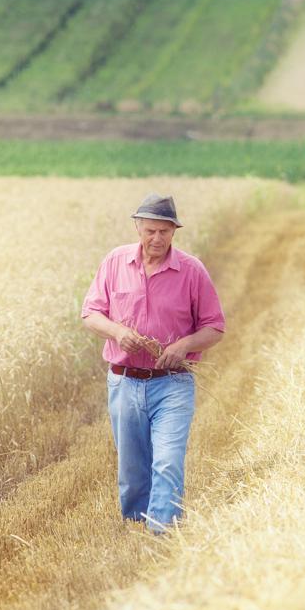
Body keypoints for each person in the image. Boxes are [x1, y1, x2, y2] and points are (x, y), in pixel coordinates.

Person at [81, 193, 225, 533]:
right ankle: (135, 526)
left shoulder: (191, 271)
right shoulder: (115, 263)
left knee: (168, 461)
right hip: (124, 380)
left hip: (173, 383)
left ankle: (163, 530)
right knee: (132, 469)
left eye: (164, 231)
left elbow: (215, 327)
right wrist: (117, 332)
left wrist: (185, 345)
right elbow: (90, 314)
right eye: (150, 231)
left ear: (174, 231)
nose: (156, 239)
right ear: (137, 228)